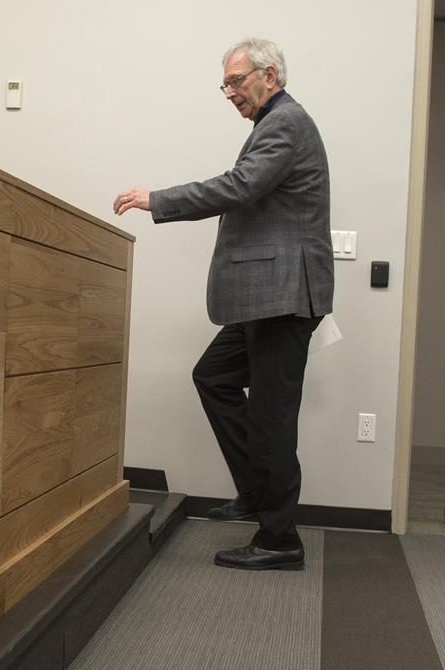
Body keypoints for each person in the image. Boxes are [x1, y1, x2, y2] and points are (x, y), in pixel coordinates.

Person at [112, 38, 333, 571]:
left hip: (283, 298)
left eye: (236, 81)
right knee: (215, 376)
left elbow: (241, 186)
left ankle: (280, 540)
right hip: (269, 298)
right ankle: (258, 493)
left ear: (270, 75)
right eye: (226, 83)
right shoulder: (273, 123)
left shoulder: (285, 122)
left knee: (273, 421)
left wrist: (157, 200)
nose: (229, 91)